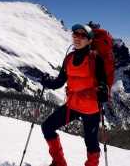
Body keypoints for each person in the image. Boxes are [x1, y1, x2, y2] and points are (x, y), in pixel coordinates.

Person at [40, 23, 109, 166]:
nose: (77, 38)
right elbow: (60, 82)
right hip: (73, 104)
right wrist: (47, 82)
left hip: (91, 109)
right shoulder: (69, 59)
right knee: (47, 127)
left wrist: (103, 90)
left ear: (90, 40)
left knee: (90, 142)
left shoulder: (95, 59)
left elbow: (104, 83)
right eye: (75, 34)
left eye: (83, 35)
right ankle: (59, 163)